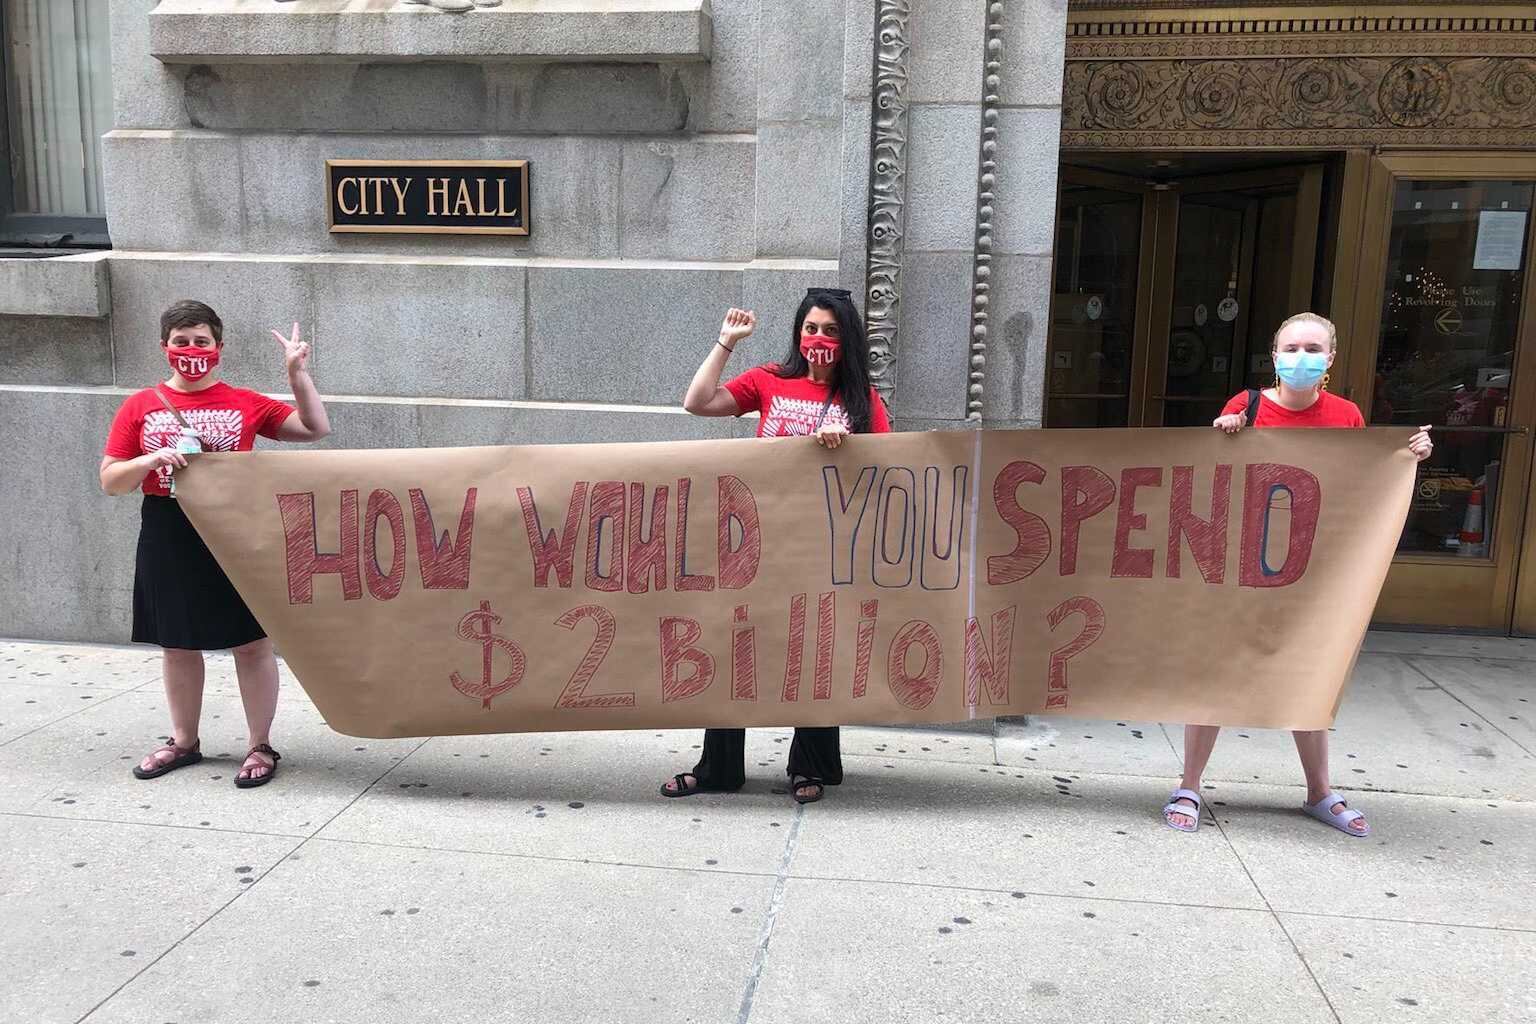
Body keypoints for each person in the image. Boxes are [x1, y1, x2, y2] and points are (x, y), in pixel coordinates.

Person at [1162, 312, 1432, 837]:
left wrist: (1410, 455)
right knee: (1217, 671)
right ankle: (1189, 785)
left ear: (1330, 358)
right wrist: (1226, 433)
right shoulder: (1247, 406)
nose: (1301, 357)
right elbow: (1218, 483)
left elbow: (1362, 485)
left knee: (1312, 672)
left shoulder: (1347, 416)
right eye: (1292, 347)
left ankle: (1319, 792)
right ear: (1275, 353)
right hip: (1243, 568)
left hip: (1314, 572)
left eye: (1313, 348)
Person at [660, 287, 892, 804]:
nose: (818, 338)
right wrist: (726, 344)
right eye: (811, 328)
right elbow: (697, 403)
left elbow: (887, 475)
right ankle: (719, 767)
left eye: (830, 330)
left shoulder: (862, 400)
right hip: (753, 544)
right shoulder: (769, 380)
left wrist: (849, 448)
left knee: (814, 651)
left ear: (846, 339)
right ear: (798, 333)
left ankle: (810, 765)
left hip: (821, 551)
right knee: (733, 644)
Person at [100, 300, 332, 788]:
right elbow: (111, 480)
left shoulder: (243, 401)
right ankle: (184, 741)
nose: (191, 351)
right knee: (177, 643)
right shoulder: (139, 406)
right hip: (168, 528)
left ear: (218, 348)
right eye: (181, 342)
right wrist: (148, 462)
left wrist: (296, 374)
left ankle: (259, 745)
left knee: (251, 642)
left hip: (235, 529)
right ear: (165, 347)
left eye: (201, 342)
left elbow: (314, 429)